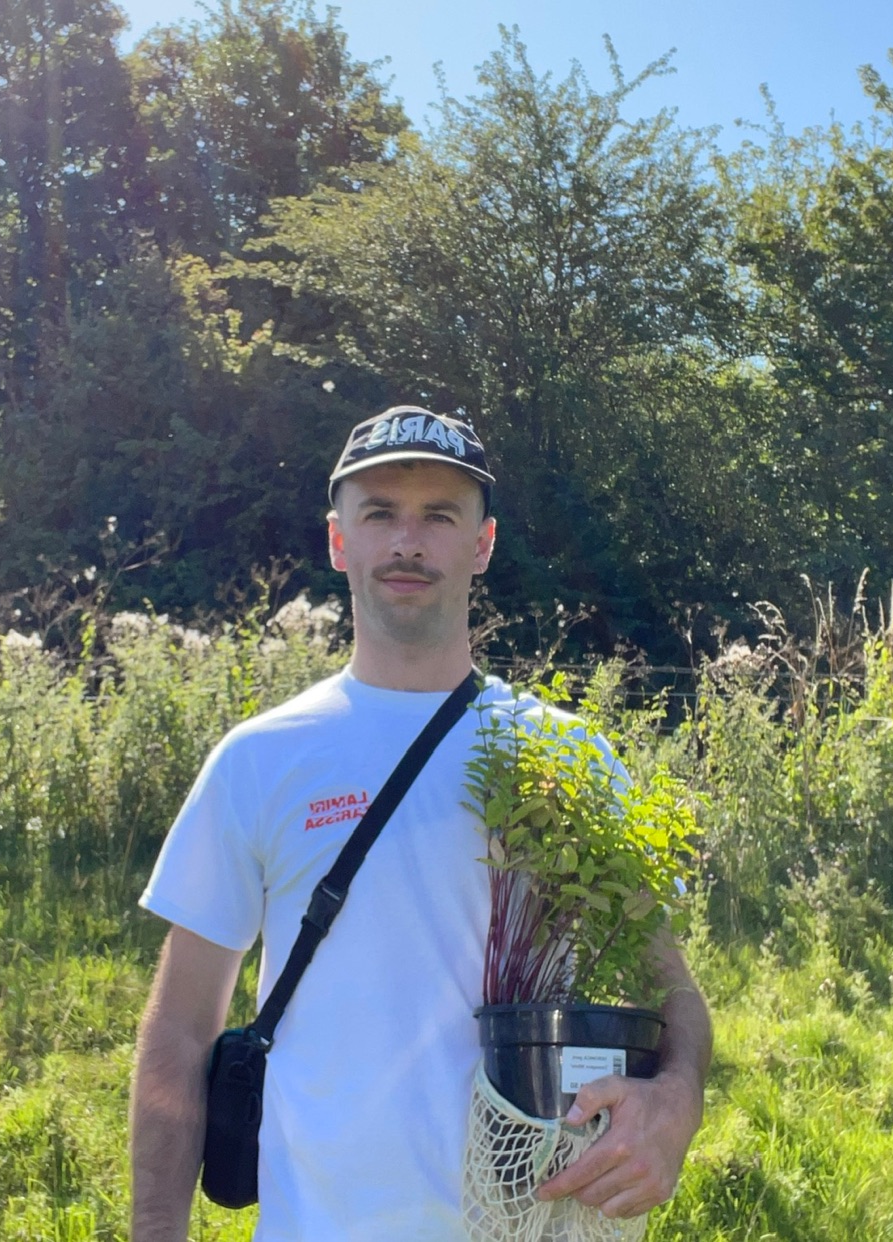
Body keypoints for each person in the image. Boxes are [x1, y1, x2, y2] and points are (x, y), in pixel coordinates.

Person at [129, 406, 712, 1241]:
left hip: (525, 1226)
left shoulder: (566, 757)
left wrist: (675, 1101)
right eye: (381, 514)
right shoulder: (259, 761)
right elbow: (182, 1030)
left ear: (482, 545)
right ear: (340, 542)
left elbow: (670, 986)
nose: (409, 541)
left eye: (440, 516)